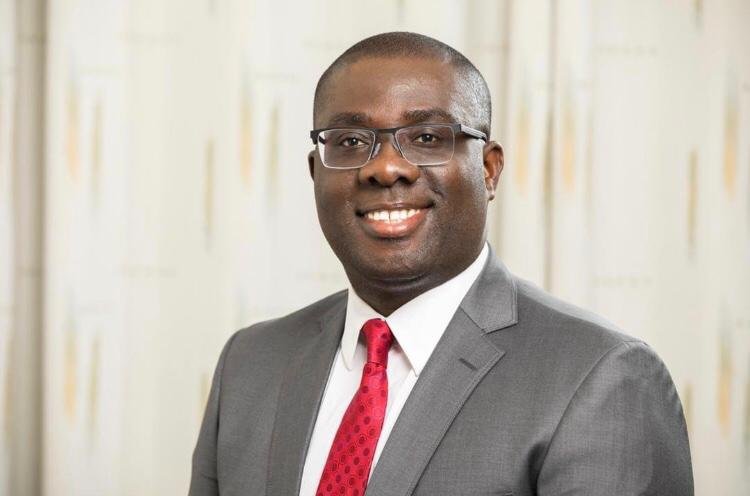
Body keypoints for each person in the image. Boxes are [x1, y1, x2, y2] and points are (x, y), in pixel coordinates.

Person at [188, 32, 693, 496]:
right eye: (351, 142)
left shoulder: (601, 376)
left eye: (427, 137)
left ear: (489, 170)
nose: (386, 167)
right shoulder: (250, 363)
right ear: (315, 173)